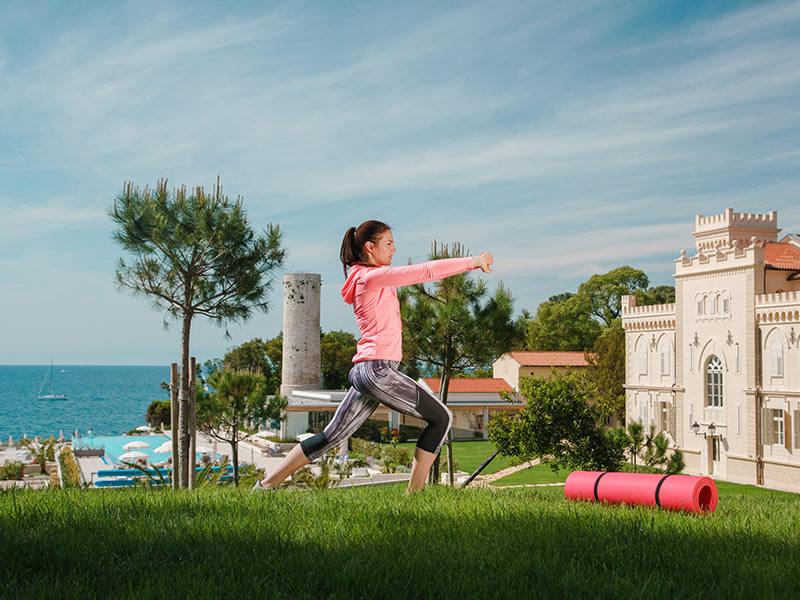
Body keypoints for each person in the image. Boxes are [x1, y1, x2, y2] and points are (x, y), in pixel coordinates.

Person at [254, 220, 493, 493]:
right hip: (377, 371)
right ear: (370, 247)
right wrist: (474, 261)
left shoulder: (365, 277)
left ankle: (266, 485)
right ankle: (414, 496)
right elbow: (425, 271)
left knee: (331, 436)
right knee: (442, 418)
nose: (394, 249)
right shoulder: (370, 277)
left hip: (366, 370)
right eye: (388, 243)